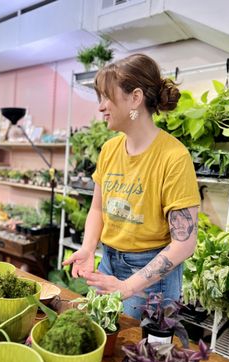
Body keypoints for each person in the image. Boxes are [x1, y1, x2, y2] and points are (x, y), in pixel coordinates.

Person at [63, 53, 200, 319]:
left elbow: (185, 243)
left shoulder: (173, 157)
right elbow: (97, 209)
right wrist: (89, 248)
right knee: (102, 342)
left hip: (149, 278)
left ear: (135, 98)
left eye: (106, 97)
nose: (101, 107)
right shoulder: (110, 149)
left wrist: (128, 286)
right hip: (108, 263)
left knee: (139, 354)